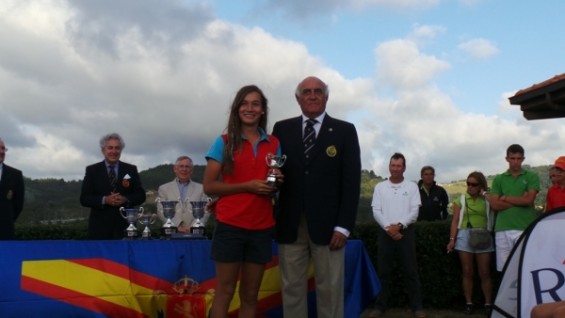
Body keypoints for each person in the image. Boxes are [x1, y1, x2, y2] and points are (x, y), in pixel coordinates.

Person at [272, 76, 361, 318]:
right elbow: (273, 171)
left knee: (330, 290)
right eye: (307, 92)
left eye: (318, 91)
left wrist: (343, 227)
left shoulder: (345, 131)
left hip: (330, 226)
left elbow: (351, 183)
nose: (312, 96)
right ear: (298, 98)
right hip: (290, 223)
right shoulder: (281, 129)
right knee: (291, 289)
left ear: (326, 97)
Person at [203, 85, 282, 318]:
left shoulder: (274, 143)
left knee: (250, 295)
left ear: (263, 110)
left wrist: (276, 183)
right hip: (231, 226)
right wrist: (247, 186)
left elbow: (273, 184)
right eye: (244, 103)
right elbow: (209, 186)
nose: (250, 108)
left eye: (255, 104)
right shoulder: (224, 141)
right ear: (237, 109)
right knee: (225, 292)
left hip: (261, 227)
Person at [370, 152, 426, 318]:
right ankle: (379, 307)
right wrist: (389, 228)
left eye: (399, 166)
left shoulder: (412, 186)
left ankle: (417, 307)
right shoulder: (380, 187)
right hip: (385, 232)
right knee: (383, 271)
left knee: (411, 271)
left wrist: (400, 226)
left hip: (406, 233)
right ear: (389, 166)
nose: (395, 169)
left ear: (404, 168)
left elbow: (414, 212)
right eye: (393, 165)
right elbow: (376, 211)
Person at [80, 133, 146, 240]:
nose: (114, 151)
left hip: (126, 228)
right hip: (99, 230)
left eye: (117, 148)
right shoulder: (92, 170)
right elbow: (84, 199)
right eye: (110, 148)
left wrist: (125, 199)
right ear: (103, 150)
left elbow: (141, 195)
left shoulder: (131, 169)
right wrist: (105, 200)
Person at [484, 144, 540, 271]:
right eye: (513, 158)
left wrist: (505, 198)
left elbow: (529, 200)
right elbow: (494, 204)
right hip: (502, 228)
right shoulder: (499, 179)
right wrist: (520, 199)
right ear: (507, 159)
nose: (516, 162)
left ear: (523, 159)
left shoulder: (531, 176)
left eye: (519, 158)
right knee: (504, 271)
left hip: (524, 227)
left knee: (526, 268)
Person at [447, 171, 495, 316]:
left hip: (483, 235)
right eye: (468, 184)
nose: (470, 187)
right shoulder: (461, 199)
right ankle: (469, 303)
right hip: (464, 234)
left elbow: (497, 205)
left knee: (484, 272)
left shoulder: (487, 199)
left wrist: (485, 194)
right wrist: (452, 240)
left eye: (474, 184)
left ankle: (488, 303)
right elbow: (455, 221)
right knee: (467, 272)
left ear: (481, 185)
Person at [157, 155, 209, 233]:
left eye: (187, 167)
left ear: (191, 170)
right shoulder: (163, 188)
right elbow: (161, 210)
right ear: (175, 169)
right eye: (181, 166)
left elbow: (206, 210)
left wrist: (193, 227)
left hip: (195, 233)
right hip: (172, 232)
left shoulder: (202, 188)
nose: (184, 169)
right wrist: (177, 226)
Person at [0, 138, 25, 240]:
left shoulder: (15, 175)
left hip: (5, 234)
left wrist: (6, 220)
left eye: (3, 149)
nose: (2, 152)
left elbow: (18, 205)